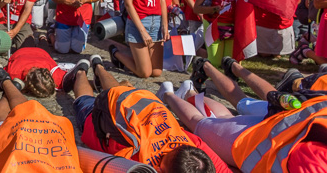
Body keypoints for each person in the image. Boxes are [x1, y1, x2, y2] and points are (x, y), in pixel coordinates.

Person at [165, 59, 327, 171]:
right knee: (199, 123)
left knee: (239, 106)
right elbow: (306, 157)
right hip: (267, 140)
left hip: (293, 116)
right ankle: (170, 94)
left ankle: (194, 83)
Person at [64, 57, 220, 172]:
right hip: (98, 120)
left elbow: (221, 168)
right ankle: (81, 72)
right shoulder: (138, 162)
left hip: (135, 101)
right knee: (83, 101)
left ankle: (98, 66)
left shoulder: (189, 146)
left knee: (118, 91)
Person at [0, 67, 82, 172]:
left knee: (7, 118)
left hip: (10, 146)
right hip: (33, 144)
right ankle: (9, 85)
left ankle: (7, 83)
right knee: (16, 115)